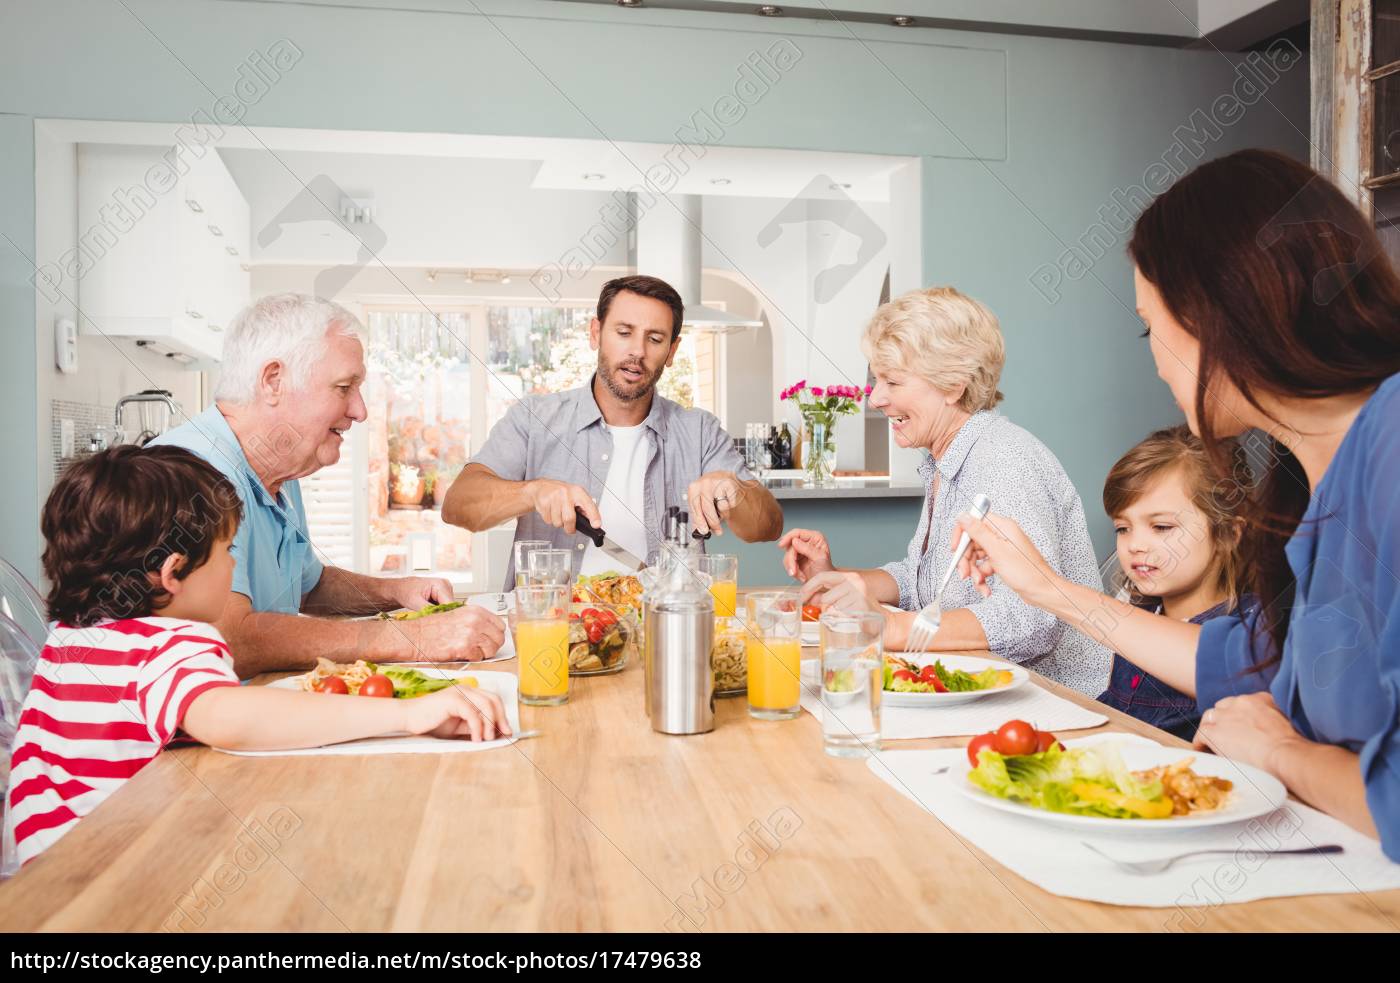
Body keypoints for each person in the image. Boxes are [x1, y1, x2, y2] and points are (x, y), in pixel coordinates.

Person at [952, 149, 1400, 856]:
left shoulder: (1389, 452)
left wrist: (1281, 753)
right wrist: (1043, 585)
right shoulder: (1317, 479)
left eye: (1149, 326)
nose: (1155, 358)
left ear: (1220, 315)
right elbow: (1238, 661)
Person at [4, 446, 511, 867]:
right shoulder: (169, 646)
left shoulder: (70, 638)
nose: (232, 564)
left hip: (44, 868)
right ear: (174, 573)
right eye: (228, 551)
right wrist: (409, 712)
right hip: (115, 877)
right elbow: (233, 717)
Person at [151, 294, 505, 676]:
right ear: (274, 381)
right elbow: (229, 639)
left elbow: (307, 587)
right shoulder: (189, 475)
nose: (360, 410)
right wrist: (411, 638)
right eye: (343, 387)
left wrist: (395, 592)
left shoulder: (282, 471)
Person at [783, 287, 1111, 696]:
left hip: (1060, 698)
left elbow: (1033, 618)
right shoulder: (946, 458)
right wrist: (838, 579)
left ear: (953, 386)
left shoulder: (1004, 461)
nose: (876, 399)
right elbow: (921, 578)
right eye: (876, 380)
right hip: (985, 685)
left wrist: (896, 627)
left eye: (892, 381)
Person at [443, 274, 783, 586]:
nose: (637, 351)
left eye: (655, 338)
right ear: (595, 333)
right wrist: (531, 492)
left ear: (671, 351)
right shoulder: (535, 418)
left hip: (662, 631)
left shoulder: (699, 431)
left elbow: (767, 526)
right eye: (624, 333)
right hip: (554, 631)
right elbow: (458, 506)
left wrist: (735, 490)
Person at [1096, 426, 1255, 739]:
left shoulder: (1250, 633)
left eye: (1162, 527)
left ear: (1228, 533)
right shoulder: (1136, 616)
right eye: (1123, 528)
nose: (1135, 544)